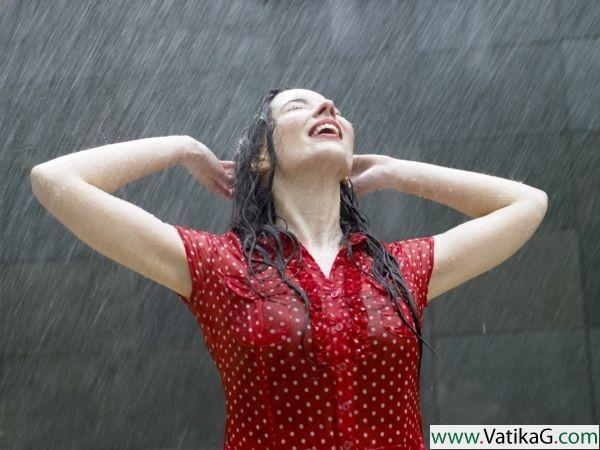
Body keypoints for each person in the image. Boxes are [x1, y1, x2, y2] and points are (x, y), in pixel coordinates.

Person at [30, 87, 548, 450]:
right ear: (260, 158)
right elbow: (55, 180)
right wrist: (184, 150)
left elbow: (528, 204)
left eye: (333, 108)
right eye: (298, 106)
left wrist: (396, 171)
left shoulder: (401, 267)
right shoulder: (219, 266)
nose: (328, 105)